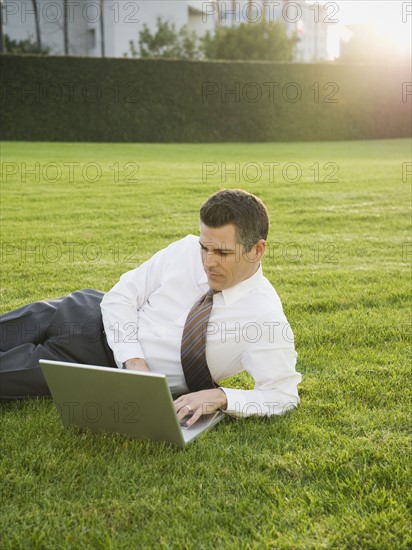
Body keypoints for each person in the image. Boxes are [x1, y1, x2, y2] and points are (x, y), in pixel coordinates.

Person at [0, 189, 301, 426]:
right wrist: (134, 360)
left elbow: (282, 394)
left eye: (222, 252)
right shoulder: (184, 250)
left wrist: (222, 396)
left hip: (91, 366)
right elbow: (120, 296)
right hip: (84, 311)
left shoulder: (264, 319)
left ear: (257, 249)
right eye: (204, 247)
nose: (208, 261)